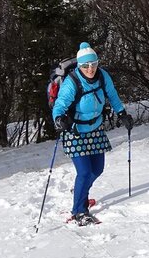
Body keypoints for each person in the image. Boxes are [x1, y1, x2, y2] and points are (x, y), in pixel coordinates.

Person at [51, 42, 134, 226]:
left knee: (97, 170)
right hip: (75, 131)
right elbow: (60, 105)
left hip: (95, 128)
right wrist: (58, 119)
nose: (90, 69)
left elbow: (112, 95)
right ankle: (79, 211)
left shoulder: (103, 76)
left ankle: (80, 192)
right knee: (84, 172)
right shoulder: (72, 82)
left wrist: (122, 114)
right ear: (80, 66)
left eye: (93, 64)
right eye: (85, 66)